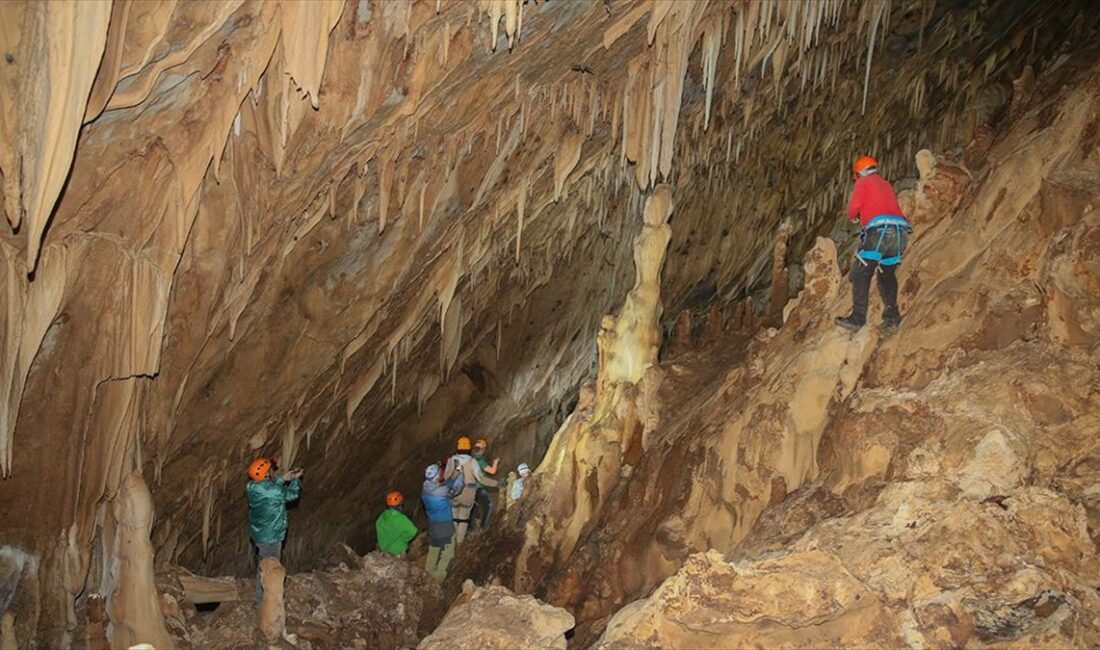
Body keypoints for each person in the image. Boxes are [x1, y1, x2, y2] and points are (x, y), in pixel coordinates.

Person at [836, 155, 913, 334]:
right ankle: (892, 319)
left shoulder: (863, 182)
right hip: (900, 234)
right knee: (886, 275)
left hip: (880, 232)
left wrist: (853, 215)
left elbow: (854, 206)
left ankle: (858, 319)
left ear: (860, 173)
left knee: (861, 273)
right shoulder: (885, 183)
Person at [247, 458, 302, 603]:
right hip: (271, 536)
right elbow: (291, 495)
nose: (272, 472)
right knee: (272, 566)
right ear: (266, 474)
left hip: (259, 533)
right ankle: (265, 600)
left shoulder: (252, 487)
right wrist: (295, 480)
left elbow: (268, 487)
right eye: (269, 470)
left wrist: (282, 478)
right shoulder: (274, 491)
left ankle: (260, 596)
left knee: (263, 563)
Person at [444, 436, 499, 544]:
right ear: (469, 448)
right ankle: (459, 543)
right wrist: (497, 483)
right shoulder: (472, 461)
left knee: (454, 517)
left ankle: (452, 541)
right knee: (463, 518)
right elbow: (481, 479)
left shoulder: (451, 460)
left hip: (453, 493)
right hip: (468, 493)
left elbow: (446, 476)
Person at [421, 463, 464, 582]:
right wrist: (460, 475)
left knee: (434, 548)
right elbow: (457, 489)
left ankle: (428, 572)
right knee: (448, 552)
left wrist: (455, 474)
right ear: (435, 476)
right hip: (444, 524)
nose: (441, 473)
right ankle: (439, 578)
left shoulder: (426, 486)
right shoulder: (441, 491)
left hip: (433, 523)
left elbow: (443, 484)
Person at [375, 491, 418, 557]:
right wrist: (403, 539)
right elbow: (413, 531)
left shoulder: (381, 516)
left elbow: (378, 527)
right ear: (400, 505)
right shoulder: (401, 519)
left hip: (383, 550)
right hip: (397, 551)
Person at [470, 438, 500, 531]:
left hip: (468, 488)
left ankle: (471, 528)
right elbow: (492, 471)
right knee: (488, 505)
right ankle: (484, 527)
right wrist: (495, 462)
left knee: (472, 509)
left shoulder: (470, 459)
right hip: (478, 487)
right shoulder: (480, 460)